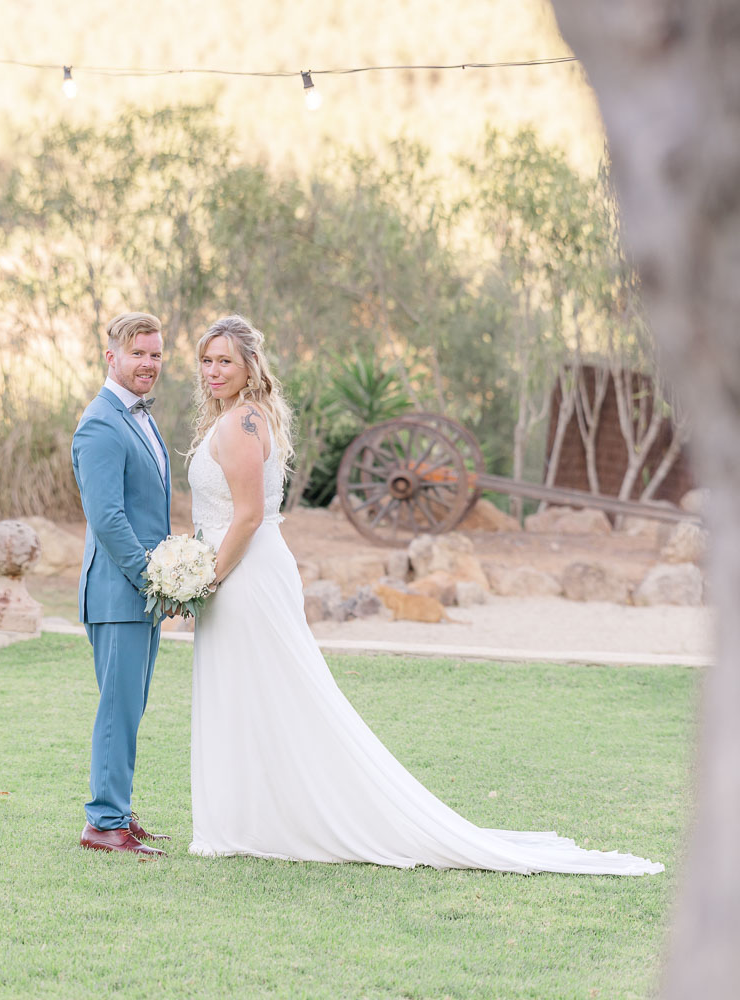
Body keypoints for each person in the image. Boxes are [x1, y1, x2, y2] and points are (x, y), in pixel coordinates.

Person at [186, 315, 663, 875]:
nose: (214, 371)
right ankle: (252, 815)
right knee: (250, 692)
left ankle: (268, 816)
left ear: (249, 367)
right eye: (207, 361)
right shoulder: (237, 418)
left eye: (226, 361)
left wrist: (208, 577)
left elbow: (246, 517)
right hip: (244, 568)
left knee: (274, 691)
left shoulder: (241, 423)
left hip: (242, 573)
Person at [71, 312, 174, 856]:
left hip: (140, 596)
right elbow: (107, 517)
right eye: (139, 354)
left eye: (156, 354)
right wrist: (152, 578)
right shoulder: (101, 423)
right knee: (118, 708)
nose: (149, 364)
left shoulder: (137, 417)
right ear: (111, 357)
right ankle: (103, 824)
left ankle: (119, 812)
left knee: (129, 708)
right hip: (119, 594)